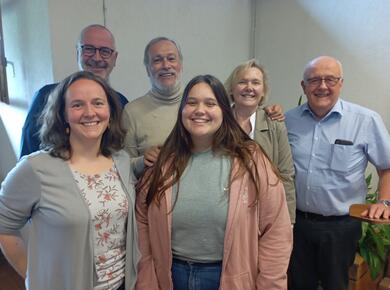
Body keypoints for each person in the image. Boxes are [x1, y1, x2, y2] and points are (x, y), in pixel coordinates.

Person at [135, 74, 292, 290]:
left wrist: (271, 285)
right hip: (171, 276)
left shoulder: (251, 160)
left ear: (224, 112)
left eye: (210, 103)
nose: (200, 110)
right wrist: (146, 277)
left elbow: (276, 229)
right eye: (191, 103)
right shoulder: (163, 161)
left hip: (229, 276)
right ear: (182, 111)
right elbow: (142, 220)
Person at [0, 71, 140, 290]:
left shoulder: (120, 159)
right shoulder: (35, 168)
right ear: (62, 114)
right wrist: (35, 276)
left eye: (98, 103)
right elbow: (4, 227)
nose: (89, 112)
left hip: (123, 285)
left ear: (110, 112)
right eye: (77, 105)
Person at [285, 56, 390, 290]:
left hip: (340, 227)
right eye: (314, 80)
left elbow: (387, 165)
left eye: (330, 79)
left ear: (341, 83)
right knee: (298, 284)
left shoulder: (365, 120)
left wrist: (384, 202)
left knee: (336, 284)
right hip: (296, 223)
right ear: (303, 86)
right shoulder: (288, 120)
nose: (322, 86)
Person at [122, 37, 285, 166]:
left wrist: (266, 110)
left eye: (171, 58)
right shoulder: (132, 111)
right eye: (157, 60)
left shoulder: (209, 110)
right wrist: (142, 162)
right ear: (147, 68)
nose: (166, 65)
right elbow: (124, 167)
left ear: (181, 65)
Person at [20, 24, 128, 158]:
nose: (97, 58)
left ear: (115, 58)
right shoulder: (46, 96)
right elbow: (28, 154)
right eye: (89, 49)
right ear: (78, 53)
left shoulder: (121, 102)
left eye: (105, 51)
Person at [225, 59, 296, 223]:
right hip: (224, 213)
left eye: (256, 83)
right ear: (231, 89)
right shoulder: (219, 121)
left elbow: (286, 175)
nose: (249, 87)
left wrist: (289, 221)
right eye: (242, 82)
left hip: (264, 213)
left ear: (263, 91)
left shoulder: (275, 124)